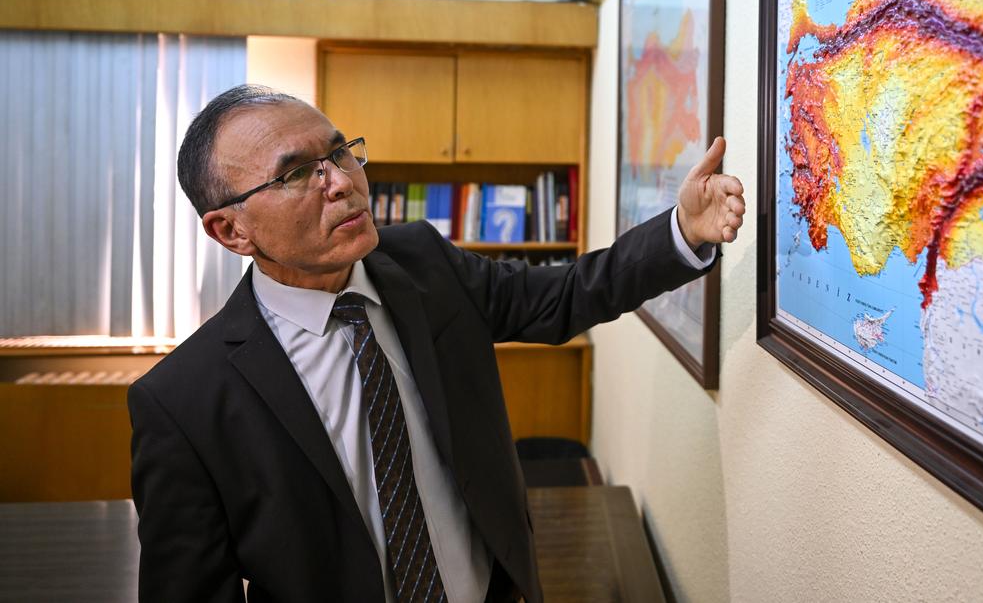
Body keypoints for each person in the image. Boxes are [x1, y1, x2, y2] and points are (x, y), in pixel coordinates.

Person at [127, 84, 745, 603]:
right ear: (230, 229)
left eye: (340, 152)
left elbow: (562, 298)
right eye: (295, 174)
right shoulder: (183, 403)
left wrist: (680, 234)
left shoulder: (423, 263)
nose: (340, 182)